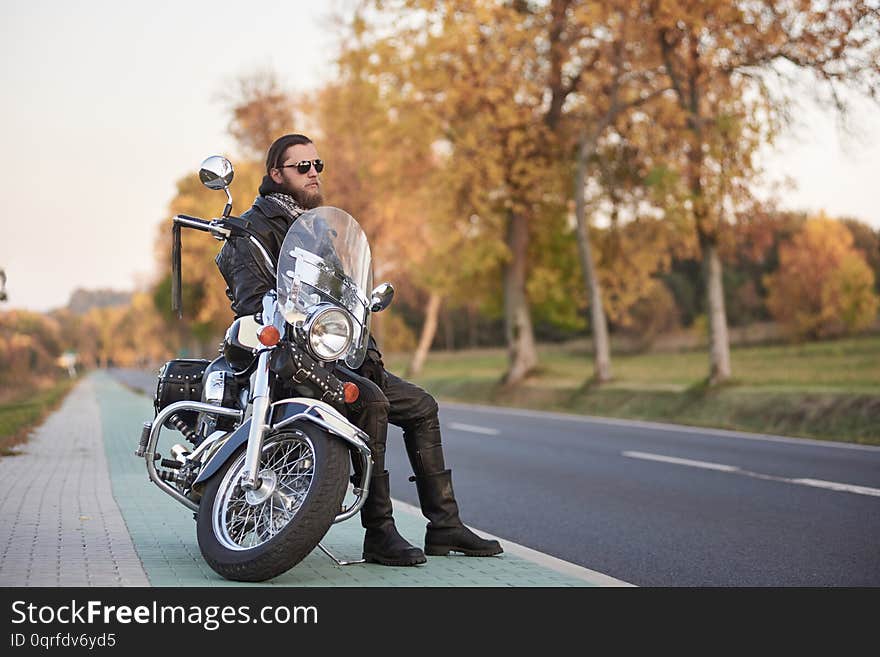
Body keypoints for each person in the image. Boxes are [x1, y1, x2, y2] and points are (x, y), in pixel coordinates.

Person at [216, 133, 502, 565]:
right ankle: (380, 530)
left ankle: (444, 526)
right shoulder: (251, 232)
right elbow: (252, 302)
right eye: (303, 167)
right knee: (372, 403)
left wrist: (360, 338)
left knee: (422, 405)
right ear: (276, 174)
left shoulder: (314, 228)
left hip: (338, 358)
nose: (314, 173)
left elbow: (344, 296)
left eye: (318, 165)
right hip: (291, 362)